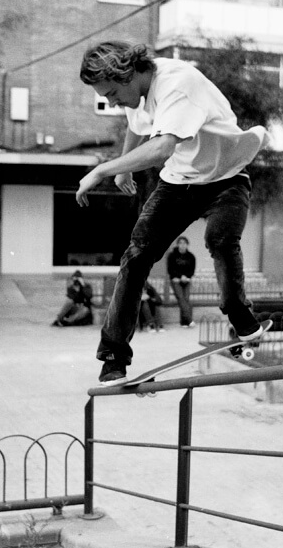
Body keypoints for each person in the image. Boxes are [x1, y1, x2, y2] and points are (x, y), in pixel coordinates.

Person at [76, 40, 267, 385]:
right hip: (179, 183)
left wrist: (103, 169)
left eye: (111, 93)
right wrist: (124, 169)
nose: (110, 101)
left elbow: (163, 147)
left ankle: (240, 315)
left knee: (220, 239)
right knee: (136, 255)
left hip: (227, 178)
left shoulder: (177, 83)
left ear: (128, 73)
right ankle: (114, 356)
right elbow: (137, 125)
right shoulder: (137, 89)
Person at [167, 236, 196, 327]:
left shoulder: (191, 257)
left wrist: (187, 277)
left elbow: (192, 270)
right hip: (176, 280)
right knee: (181, 298)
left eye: (184, 243)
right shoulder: (172, 256)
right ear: (178, 244)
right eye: (180, 243)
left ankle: (184, 322)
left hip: (186, 280)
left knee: (186, 299)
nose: (182, 245)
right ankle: (190, 320)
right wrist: (180, 277)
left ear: (187, 245)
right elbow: (170, 269)